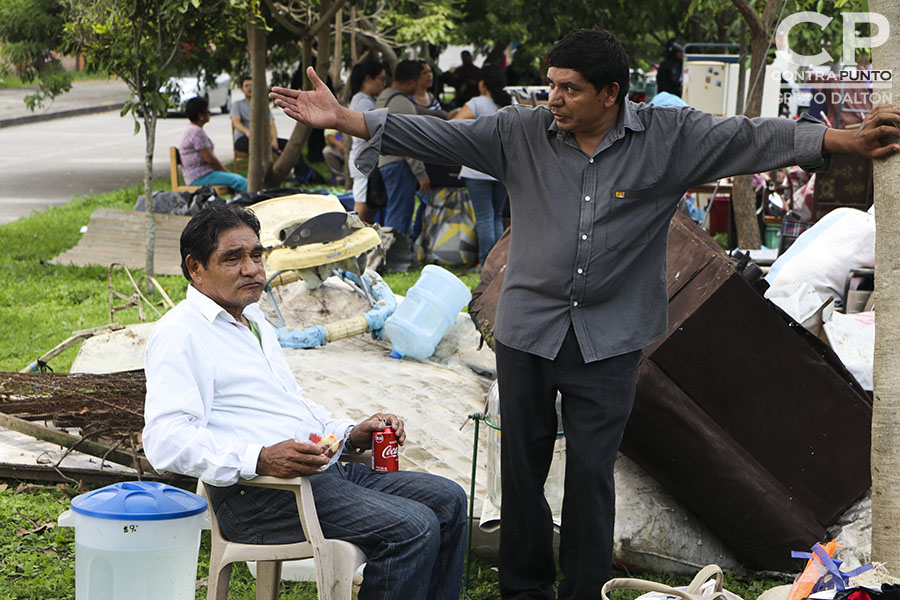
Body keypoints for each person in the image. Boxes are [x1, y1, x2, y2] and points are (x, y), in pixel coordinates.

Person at [269, 28, 900, 599]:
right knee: (522, 466)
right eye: (551, 86)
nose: (555, 99)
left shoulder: (668, 137)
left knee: (592, 473)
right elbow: (439, 133)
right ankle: (524, 588)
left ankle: (583, 590)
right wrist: (345, 118)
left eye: (569, 89)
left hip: (611, 338)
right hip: (528, 333)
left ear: (611, 94)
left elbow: (751, 137)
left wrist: (844, 138)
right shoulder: (519, 132)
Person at [142, 204, 467, 600]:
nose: (252, 269)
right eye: (233, 258)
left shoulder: (254, 320)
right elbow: (165, 441)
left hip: (317, 476)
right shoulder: (181, 334)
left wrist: (349, 435)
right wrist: (259, 458)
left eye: (256, 255)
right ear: (195, 268)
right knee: (414, 527)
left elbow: (291, 407)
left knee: (449, 499)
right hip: (260, 496)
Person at [451, 64, 512, 267]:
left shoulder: (477, 103)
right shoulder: (507, 105)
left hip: (477, 169)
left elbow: (455, 125)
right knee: (495, 216)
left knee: (485, 217)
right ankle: (497, 264)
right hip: (502, 169)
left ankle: (487, 263)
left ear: (482, 83)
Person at [374, 59, 430, 236]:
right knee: (400, 212)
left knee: (394, 208)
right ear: (412, 81)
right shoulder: (403, 104)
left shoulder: (384, 97)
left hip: (384, 162)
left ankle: (389, 253)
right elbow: (409, 143)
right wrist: (421, 175)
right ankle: (392, 256)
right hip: (399, 164)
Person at [178, 97, 247, 194]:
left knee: (235, 180)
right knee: (240, 181)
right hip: (200, 176)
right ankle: (251, 205)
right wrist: (225, 171)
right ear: (200, 115)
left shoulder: (191, 129)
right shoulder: (196, 132)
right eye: (208, 112)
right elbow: (210, 159)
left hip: (197, 175)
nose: (209, 114)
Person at [347, 60, 387, 221]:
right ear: (368, 79)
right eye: (381, 79)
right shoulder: (363, 101)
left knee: (368, 209)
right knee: (361, 209)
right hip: (363, 163)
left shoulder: (365, 100)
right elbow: (367, 130)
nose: (384, 84)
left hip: (364, 162)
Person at [232, 76, 287, 155]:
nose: (249, 88)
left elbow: (271, 124)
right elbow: (235, 122)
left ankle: (302, 167)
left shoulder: (262, 105)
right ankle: (276, 156)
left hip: (262, 138)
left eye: (251, 85)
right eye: (246, 86)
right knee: (262, 146)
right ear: (242, 89)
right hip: (243, 139)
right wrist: (248, 132)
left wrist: (274, 140)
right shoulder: (237, 105)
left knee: (289, 145)